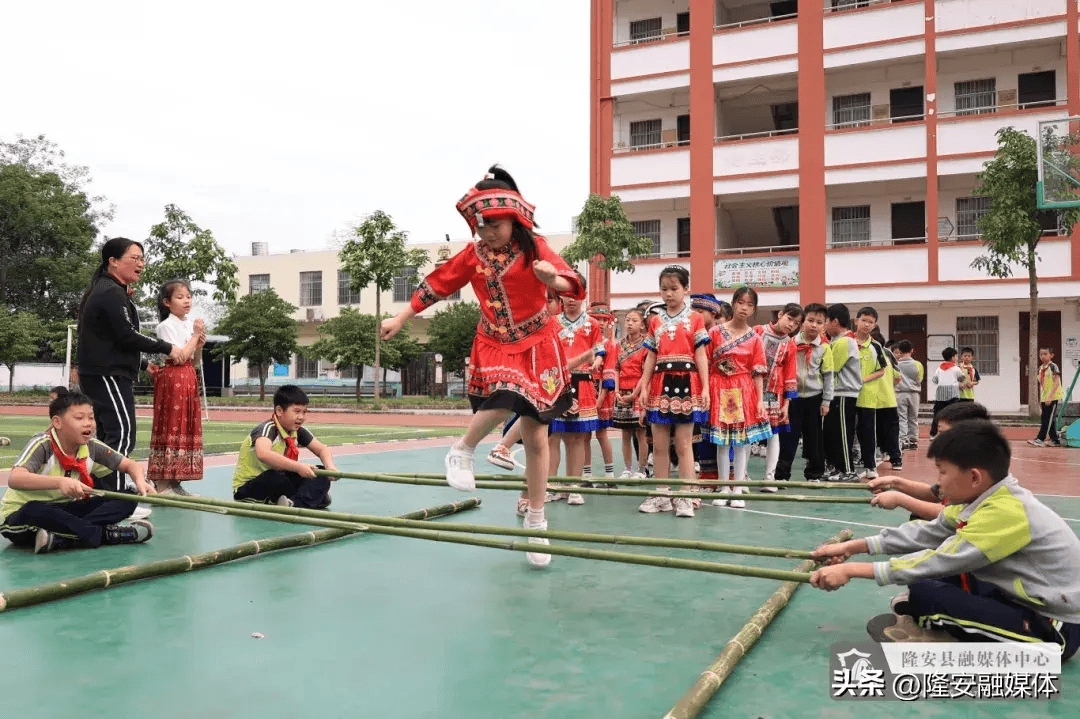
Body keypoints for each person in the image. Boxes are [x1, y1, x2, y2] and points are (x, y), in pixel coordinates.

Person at [380, 165, 585, 567]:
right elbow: (438, 283)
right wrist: (402, 318)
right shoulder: (472, 255)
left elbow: (572, 282)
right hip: (495, 341)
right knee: (508, 393)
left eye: (494, 225)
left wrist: (553, 280)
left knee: (538, 438)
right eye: (480, 225)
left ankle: (537, 521)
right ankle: (462, 449)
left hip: (539, 342)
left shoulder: (535, 247)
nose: (486, 233)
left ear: (514, 219)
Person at [810, 420, 1080, 656]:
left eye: (942, 472)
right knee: (925, 586)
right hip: (1022, 598)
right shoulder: (983, 497)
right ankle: (937, 618)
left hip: (1055, 626)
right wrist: (853, 547)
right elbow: (928, 532)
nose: (937, 483)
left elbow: (941, 559)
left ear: (974, 477)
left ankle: (941, 633)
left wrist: (851, 570)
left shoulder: (1006, 512)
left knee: (929, 591)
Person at [77, 238, 183, 518]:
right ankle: (119, 503)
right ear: (113, 261)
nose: (140, 263)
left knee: (103, 440)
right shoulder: (109, 292)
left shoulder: (112, 291)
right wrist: (169, 348)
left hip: (105, 373)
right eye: (134, 257)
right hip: (107, 375)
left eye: (142, 258)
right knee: (121, 435)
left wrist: (143, 362)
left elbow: (113, 338)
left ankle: (99, 496)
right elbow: (126, 335)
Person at [0, 391, 154, 553]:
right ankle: (107, 535)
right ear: (57, 422)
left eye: (91, 418)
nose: (88, 423)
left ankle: (60, 538)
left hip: (65, 512)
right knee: (34, 509)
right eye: (79, 418)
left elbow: (130, 465)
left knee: (127, 498)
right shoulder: (43, 444)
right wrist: (60, 482)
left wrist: (140, 481)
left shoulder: (92, 447)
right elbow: (15, 478)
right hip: (22, 517)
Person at [637, 266, 710, 518]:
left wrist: (706, 387)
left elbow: (701, 355)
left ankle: (686, 496)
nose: (668, 294)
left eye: (674, 289)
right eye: (664, 289)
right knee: (658, 445)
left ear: (686, 289)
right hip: (660, 382)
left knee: (683, 445)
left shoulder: (696, 319)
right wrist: (644, 387)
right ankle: (661, 493)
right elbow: (650, 356)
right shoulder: (655, 320)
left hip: (688, 383)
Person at [704, 287, 771, 509]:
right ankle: (724, 488)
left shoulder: (755, 339)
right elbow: (704, 363)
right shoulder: (714, 333)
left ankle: (739, 488)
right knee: (722, 442)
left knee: (742, 442)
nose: (744, 307)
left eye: (750, 304)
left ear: (754, 309)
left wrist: (760, 400)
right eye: (741, 302)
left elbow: (758, 373)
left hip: (743, 390)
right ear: (733, 304)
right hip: (719, 387)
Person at [868, 401, 991, 521]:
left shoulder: (973, 471)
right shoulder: (963, 461)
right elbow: (935, 493)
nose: (937, 439)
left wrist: (900, 499)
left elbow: (947, 513)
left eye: (943, 433)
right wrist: (894, 483)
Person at [233, 385, 338, 509]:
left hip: (281, 480)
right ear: (279, 411)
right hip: (250, 486)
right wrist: (299, 467)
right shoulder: (267, 429)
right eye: (296, 411)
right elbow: (263, 454)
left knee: (320, 473)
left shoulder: (297, 431)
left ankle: (294, 504)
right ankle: (311, 499)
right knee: (275, 477)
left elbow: (322, 449)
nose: (301, 417)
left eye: (304, 412)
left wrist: (330, 468)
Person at [147, 279, 206, 496]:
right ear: (167, 303)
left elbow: (194, 360)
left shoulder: (189, 326)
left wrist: (198, 344)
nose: (186, 301)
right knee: (170, 425)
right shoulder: (165, 326)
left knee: (185, 426)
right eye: (180, 297)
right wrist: (195, 336)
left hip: (188, 377)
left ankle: (176, 481)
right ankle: (162, 483)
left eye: (188, 296)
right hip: (173, 378)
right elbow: (179, 356)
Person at [548, 278, 602, 504]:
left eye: (575, 294)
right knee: (553, 437)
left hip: (582, 383)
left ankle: (573, 486)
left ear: (584, 293)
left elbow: (599, 349)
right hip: (556, 384)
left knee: (577, 438)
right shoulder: (552, 323)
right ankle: (550, 485)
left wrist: (598, 360)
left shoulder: (592, 324)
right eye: (566, 294)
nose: (570, 299)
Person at [774, 303, 833, 486]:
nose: (814, 325)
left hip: (815, 398)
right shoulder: (789, 343)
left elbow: (828, 376)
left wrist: (826, 401)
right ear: (802, 322)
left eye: (819, 322)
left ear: (824, 325)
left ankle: (814, 474)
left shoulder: (825, 348)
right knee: (788, 438)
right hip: (792, 398)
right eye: (810, 320)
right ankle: (782, 475)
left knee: (814, 438)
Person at [755, 303, 802, 487]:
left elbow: (791, 373)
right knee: (745, 432)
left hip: (774, 394)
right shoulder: (757, 331)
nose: (791, 325)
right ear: (780, 314)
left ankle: (769, 477)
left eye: (796, 323)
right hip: (751, 390)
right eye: (790, 319)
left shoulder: (790, 345)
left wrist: (786, 404)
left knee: (773, 434)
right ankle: (741, 476)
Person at [851, 306, 897, 479]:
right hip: (846, 396)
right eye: (864, 320)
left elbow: (882, 371)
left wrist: (863, 379)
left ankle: (870, 466)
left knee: (867, 433)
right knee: (846, 432)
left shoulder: (876, 347)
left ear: (875, 325)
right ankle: (843, 467)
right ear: (856, 321)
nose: (866, 324)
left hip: (867, 397)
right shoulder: (846, 342)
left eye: (871, 322)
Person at [823, 304, 861, 482]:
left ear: (835, 322)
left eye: (825, 322)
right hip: (837, 394)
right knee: (834, 433)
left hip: (844, 394)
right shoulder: (838, 341)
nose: (824, 326)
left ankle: (848, 470)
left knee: (844, 434)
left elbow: (831, 368)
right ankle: (838, 468)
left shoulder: (844, 342)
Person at [583, 303, 618, 486]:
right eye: (597, 319)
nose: (601, 323)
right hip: (583, 388)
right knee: (584, 435)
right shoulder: (583, 340)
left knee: (602, 434)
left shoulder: (608, 345)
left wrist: (601, 398)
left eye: (605, 319)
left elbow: (609, 372)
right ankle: (587, 476)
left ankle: (609, 476)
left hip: (600, 390)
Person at [613, 307, 649, 479]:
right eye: (627, 320)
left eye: (634, 320)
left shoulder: (647, 345)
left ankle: (642, 469)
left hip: (639, 393)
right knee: (625, 433)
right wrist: (617, 391)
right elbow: (616, 369)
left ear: (642, 325)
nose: (629, 323)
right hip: (622, 393)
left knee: (641, 433)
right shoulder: (619, 345)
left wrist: (634, 395)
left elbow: (645, 374)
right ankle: (627, 468)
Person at [1029, 347, 1065, 447]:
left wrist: (1050, 396)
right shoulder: (1041, 369)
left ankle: (1040, 438)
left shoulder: (1053, 366)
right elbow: (1042, 385)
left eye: (1045, 354)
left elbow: (1056, 382)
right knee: (1048, 418)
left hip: (1053, 397)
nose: (1043, 356)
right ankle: (1055, 440)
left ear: (1051, 355)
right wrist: (1042, 400)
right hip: (1045, 397)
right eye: (1041, 354)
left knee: (1046, 418)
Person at [892, 340, 923, 451]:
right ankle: (913, 440)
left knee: (902, 417)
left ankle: (903, 440)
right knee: (913, 417)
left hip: (900, 393)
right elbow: (920, 378)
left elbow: (894, 379)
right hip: (914, 393)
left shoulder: (895, 364)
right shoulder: (918, 364)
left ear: (899, 351)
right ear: (912, 350)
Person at [930, 347, 966, 437]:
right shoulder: (956, 368)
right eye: (956, 356)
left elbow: (935, 380)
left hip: (940, 395)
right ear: (953, 357)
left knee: (937, 415)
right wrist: (960, 369)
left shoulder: (939, 368)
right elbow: (962, 378)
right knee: (953, 414)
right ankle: (953, 432)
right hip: (952, 395)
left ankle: (933, 433)